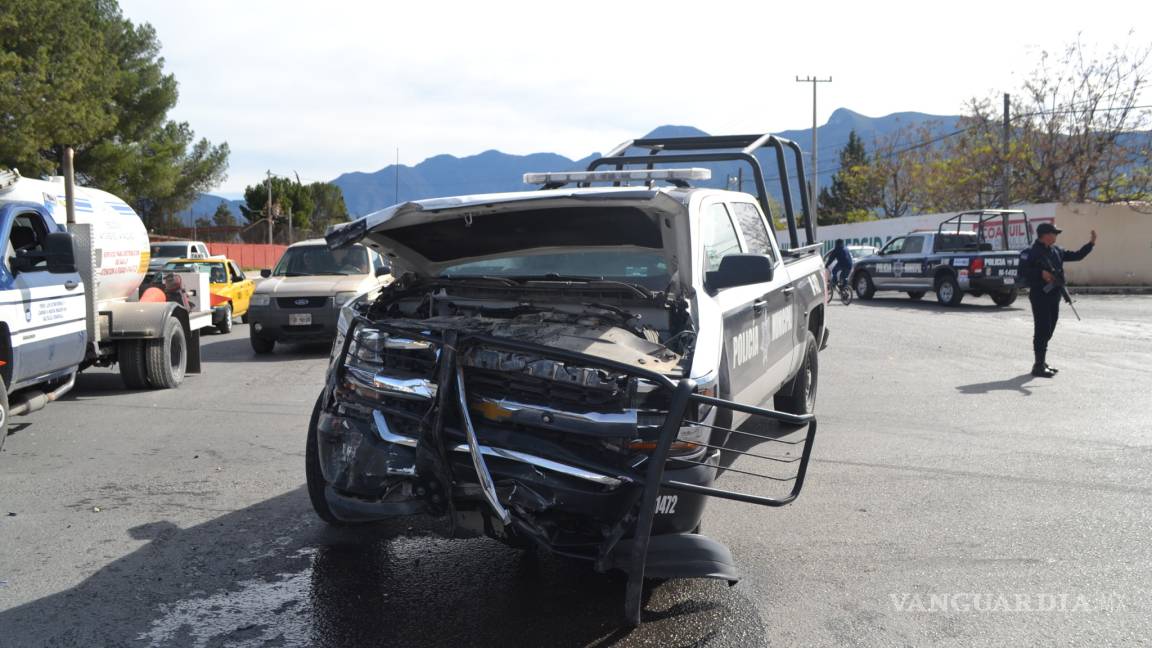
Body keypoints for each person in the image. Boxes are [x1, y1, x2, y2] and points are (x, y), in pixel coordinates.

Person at [1018, 223, 1096, 378]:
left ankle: (1043, 361)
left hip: (1054, 295)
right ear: (1045, 235)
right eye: (1054, 233)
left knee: (1050, 328)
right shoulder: (1030, 253)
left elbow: (1077, 255)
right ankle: (1038, 365)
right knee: (1042, 329)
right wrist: (1041, 273)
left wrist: (1091, 244)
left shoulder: (1057, 251)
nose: (1056, 236)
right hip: (1040, 295)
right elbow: (1022, 272)